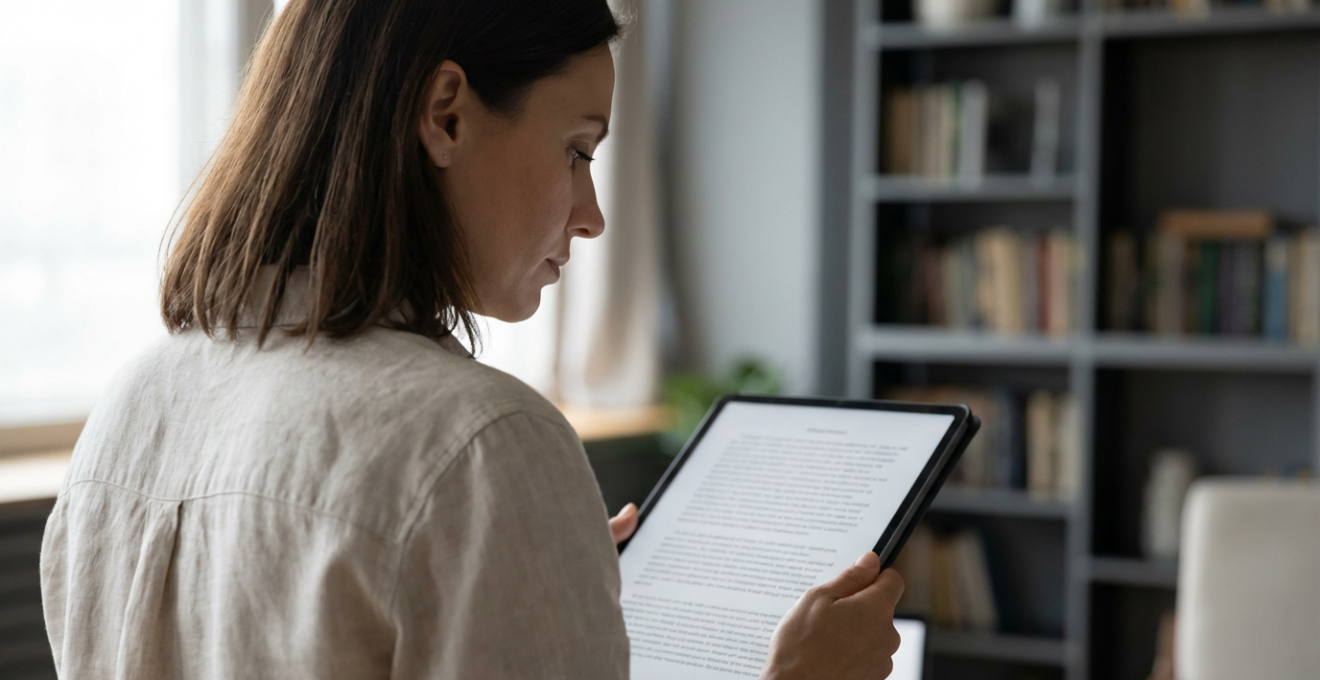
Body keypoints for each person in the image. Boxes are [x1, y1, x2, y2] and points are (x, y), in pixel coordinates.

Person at [39, 0, 905, 678]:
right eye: (575, 149)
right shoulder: (483, 444)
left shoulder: (133, 405)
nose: (592, 215)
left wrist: (519, 571)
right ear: (446, 114)